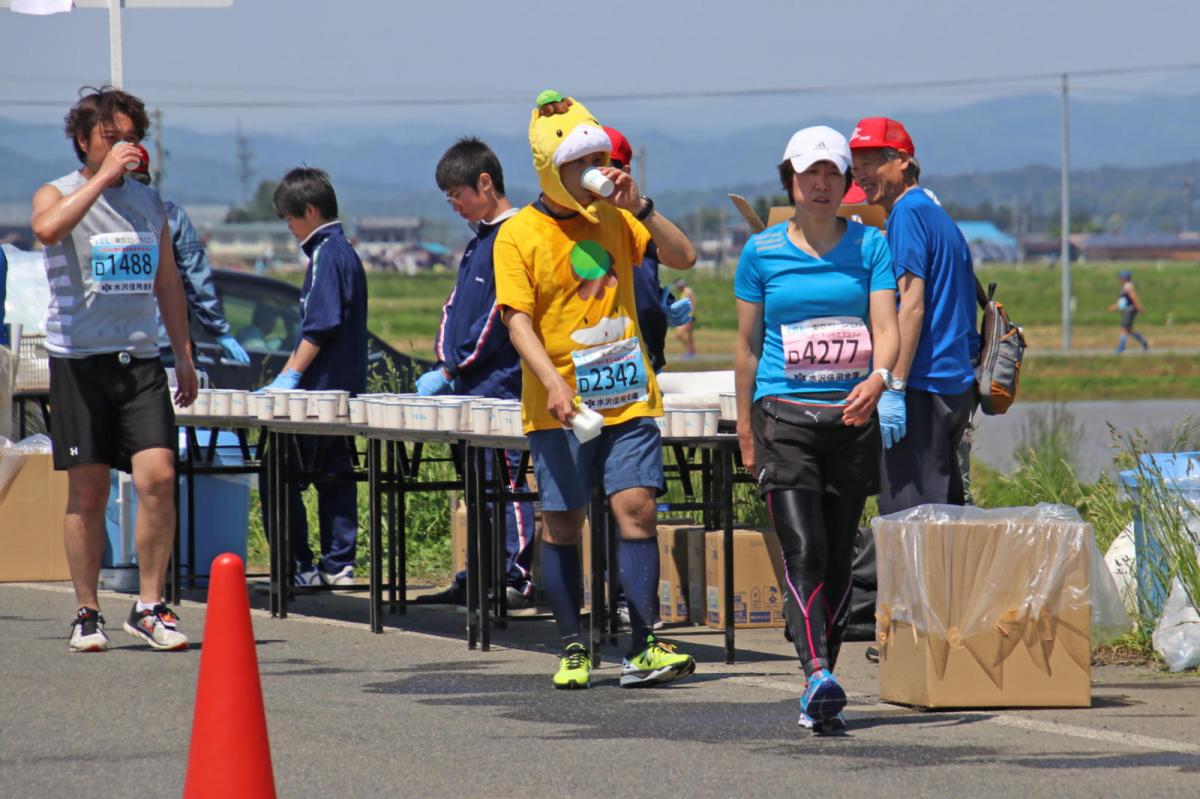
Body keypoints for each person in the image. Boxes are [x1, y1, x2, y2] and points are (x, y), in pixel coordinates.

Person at [493, 90, 697, 689]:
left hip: (627, 393)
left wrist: (645, 206)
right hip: (560, 404)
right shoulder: (518, 235)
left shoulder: (615, 217)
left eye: (596, 164)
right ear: (550, 171)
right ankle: (572, 645)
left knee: (637, 510)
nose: (590, 177)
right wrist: (552, 380)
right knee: (562, 522)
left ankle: (642, 644)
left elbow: (681, 256)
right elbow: (516, 319)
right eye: (577, 168)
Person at [734, 126, 901, 732]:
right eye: (810, 175)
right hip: (784, 419)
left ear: (846, 181)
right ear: (791, 181)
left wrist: (881, 378)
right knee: (803, 550)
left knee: (834, 559)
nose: (822, 184)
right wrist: (748, 430)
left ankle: (821, 679)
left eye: (832, 173)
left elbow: (887, 324)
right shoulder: (762, 253)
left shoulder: (871, 246)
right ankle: (815, 673)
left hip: (851, 418)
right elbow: (748, 346)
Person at [30, 86, 198, 652]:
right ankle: (86, 610)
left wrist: (185, 355)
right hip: (79, 361)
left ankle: (149, 605)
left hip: (141, 360)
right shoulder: (58, 192)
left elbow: (168, 281)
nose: (126, 147)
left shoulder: (150, 205)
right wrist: (102, 179)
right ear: (84, 140)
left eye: (132, 138)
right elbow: (47, 230)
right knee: (89, 490)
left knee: (158, 478)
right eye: (112, 137)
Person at [412, 137, 536, 609]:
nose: (456, 206)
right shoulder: (477, 242)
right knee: (476, 489)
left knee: (506, 484)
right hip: (466, 388)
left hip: (498, 389)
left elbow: (497, 317)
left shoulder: (513, 236)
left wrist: (452, 364)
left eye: (457, 195)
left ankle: (515, 574)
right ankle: (482, 569)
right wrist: (445, 360)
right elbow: (454, 307)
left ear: (485, 183)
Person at [849, 117, 979, 516]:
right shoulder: (934, 212)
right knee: (943, 510)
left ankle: (911, 583)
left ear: (903, 161)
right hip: (953, 381)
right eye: (856, 166)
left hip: (925, 383)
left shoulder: (905, 214)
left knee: (910, 516)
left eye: (871, 163)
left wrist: (894, 384)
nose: (862, 175)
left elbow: (913, 304)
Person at [259, 168, 368, 586]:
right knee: (334, 475)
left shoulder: (327, 252)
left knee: (278, 473)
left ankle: (298, 566)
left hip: (318, 393)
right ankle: (338, 563)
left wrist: (288, 375)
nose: (289, 228)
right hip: (341, 388)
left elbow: (320, 325)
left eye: (290, 219)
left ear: (309, 210)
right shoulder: (346, 251)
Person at [127, 153, 250, 368]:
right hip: (165, 342)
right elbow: (195, 279)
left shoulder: (97, 215)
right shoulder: (171, 216)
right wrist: (219, 330)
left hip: (110, 342)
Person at [603, 126, 692, 373]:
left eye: (607, 164)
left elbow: (684, 257)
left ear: (625, 171)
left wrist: (657, 301)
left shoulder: (635, 222)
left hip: (641, 367)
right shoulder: (567, 224)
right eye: (588, 166)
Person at [1110, 270, 1149, 353]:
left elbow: (1133, 297)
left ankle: (1121, 348)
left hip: (1130, 310)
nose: (1119, 279)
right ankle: (1144, 342)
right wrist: (1116, 306)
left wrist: (1139, 307)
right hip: (1127, 309)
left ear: (1124, 278)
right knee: (1129, 329)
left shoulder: (1128, 286)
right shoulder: (1125, 287)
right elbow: (1123, 300)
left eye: (1120, 278)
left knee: (1123, 328)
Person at [673, 278, 697, 360]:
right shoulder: (683, 292)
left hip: (688, 316)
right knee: (689, 336)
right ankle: (692, 352)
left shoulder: (687, 291)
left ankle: (689, 351)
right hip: (688, 315)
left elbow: (692, 303)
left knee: (679, 334)